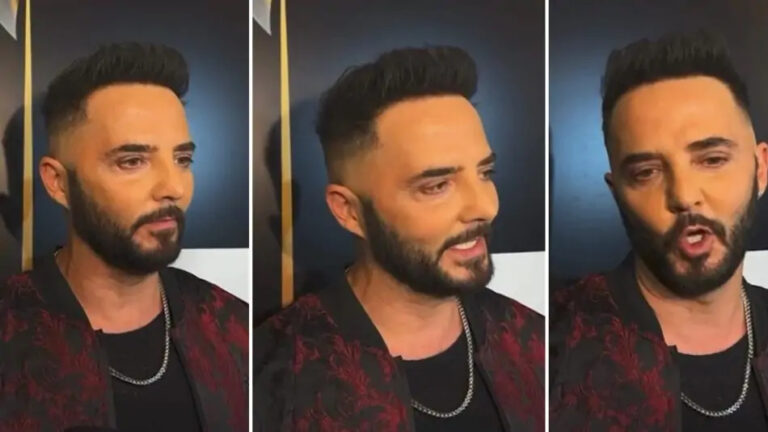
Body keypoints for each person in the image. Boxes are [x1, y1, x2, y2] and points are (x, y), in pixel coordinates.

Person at [255, 45, 544, 431]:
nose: (486, 207)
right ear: (349, 211)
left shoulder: (536, 342)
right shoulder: (268, 379)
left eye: (485, 173)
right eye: (437, 185)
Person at [0, 43, 248, 431]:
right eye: (132, 161)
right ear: (58, 182)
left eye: (182, 160)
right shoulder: (11, 333)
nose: (173, 188)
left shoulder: (233, 326)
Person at [550, 31, 768, 431]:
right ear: (617, 193)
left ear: (761, 169)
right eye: (647, 172)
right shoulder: (548, 349)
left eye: (712, 159)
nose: (684, 196)